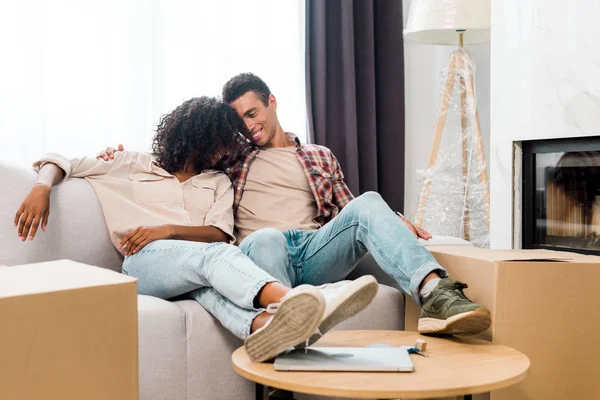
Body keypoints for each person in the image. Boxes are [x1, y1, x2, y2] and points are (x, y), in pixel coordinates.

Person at [100, 74, 491, 335]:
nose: (249, 126)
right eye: (240, 122)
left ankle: (438, 296)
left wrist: (393, 219)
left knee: (373, 201)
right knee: (267, 237)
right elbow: (183, 157)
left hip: (314, 249)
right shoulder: (231, 160)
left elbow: (351, 209)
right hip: (260, 251)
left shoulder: (320, 156)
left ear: (271, 102)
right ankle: (283, 359)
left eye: (253, 113)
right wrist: (113, 155)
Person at [14, 96, 379, 363]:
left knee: (210, 288)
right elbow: (63, 161)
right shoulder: (130, 163)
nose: (226, 151)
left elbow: (220, 233)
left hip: (190, 267)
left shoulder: (218, 182)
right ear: (199, 136)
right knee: (214, 261)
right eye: (221, 141)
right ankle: (293, 301)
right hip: (143, 264)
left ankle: (269, 329)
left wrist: (168, 230)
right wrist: (41, 187)